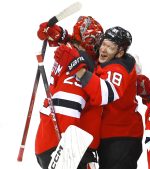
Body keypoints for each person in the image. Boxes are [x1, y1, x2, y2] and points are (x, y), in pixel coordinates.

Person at [35, 16, 104, 168]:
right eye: (94, 40)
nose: (99, 46)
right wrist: (64, 148)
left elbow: (72, 41)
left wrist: (59, 34)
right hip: (64, 146)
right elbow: (67, 106)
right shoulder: (79, 63)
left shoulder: (73, 52)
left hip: (57, 141)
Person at [72, 26, 144, 169]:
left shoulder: (118, 69)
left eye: (110, 47)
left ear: (120, 52)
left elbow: (104, 95)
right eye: (103, 44)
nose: (104, 50)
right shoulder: (107, 61)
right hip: (110, 136)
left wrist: (79, 72)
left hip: (122, 137)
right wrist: (64, 37)